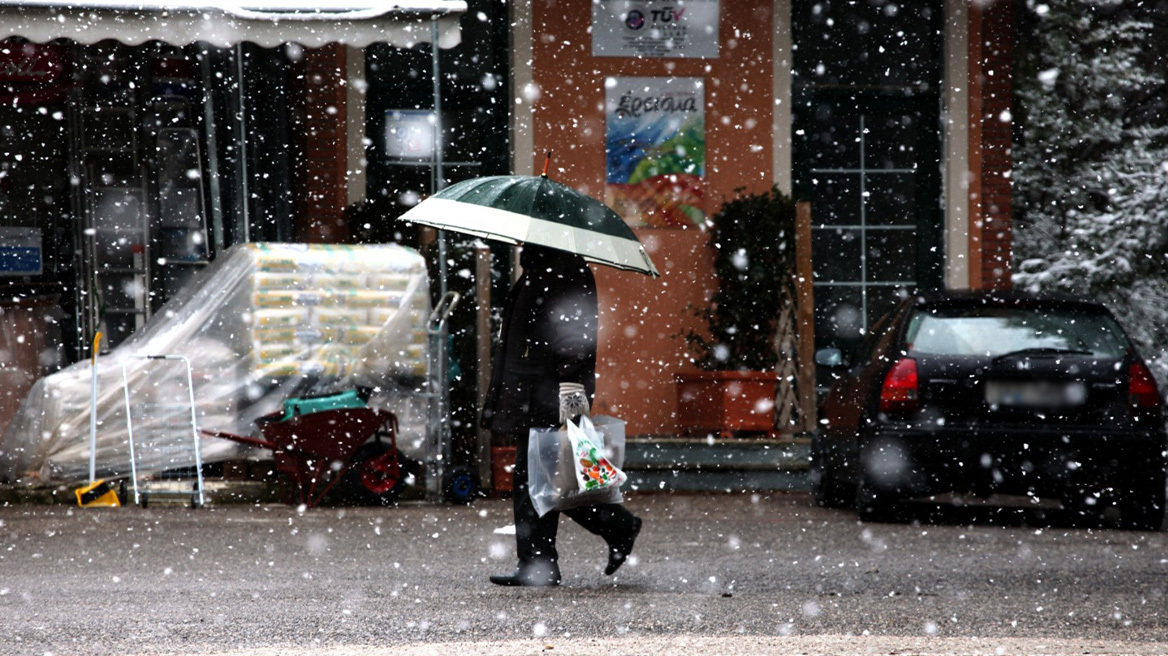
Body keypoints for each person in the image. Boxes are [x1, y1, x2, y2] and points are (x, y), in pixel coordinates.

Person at [481, 244, 642, 587]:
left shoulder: (563, 270)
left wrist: (569, 384)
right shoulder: (541, 267)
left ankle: (610, 529)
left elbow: (574, 333)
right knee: (538, 479)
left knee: (548, 479)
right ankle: (540, 563)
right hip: (534, 388)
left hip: (549, 390)